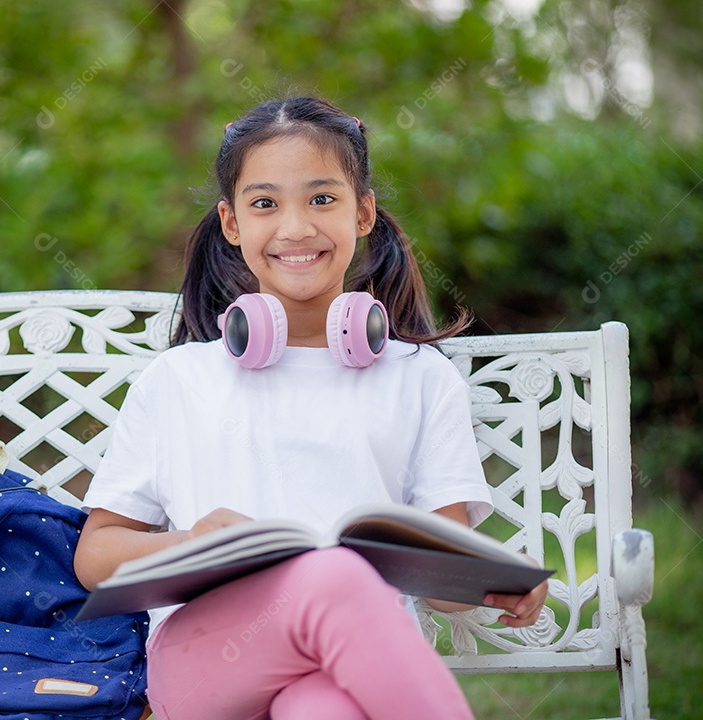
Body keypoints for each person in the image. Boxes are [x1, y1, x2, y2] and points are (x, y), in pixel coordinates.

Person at [73, 95, 548, 720]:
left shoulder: (420, 378)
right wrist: (187, 541)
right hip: (206, 662)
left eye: (322, 198)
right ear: (232, 222)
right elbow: (95, 556)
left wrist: (495, 583)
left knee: (322, 708)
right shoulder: (179, 378)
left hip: (352, 662)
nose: (295, 228)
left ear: (363, 213)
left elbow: (443, 581)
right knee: (336, 575)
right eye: (265, 203)